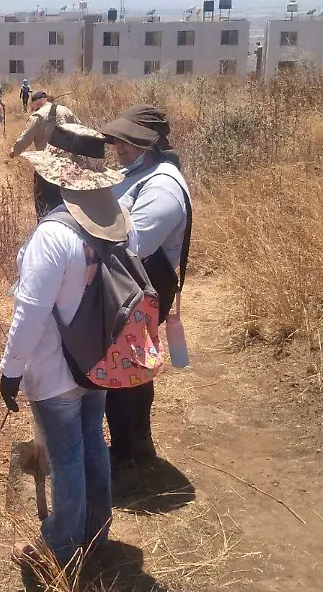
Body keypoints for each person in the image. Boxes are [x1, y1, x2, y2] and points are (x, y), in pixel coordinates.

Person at [0, 122, 133, 570]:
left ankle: (59, 550)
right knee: (93, 442)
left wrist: (10, 370)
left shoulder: (52, 235)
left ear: (51, 178)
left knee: (66, 456)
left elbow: (30, 312)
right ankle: (97, 531)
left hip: (54, 372)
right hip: (96, 360)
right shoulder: (112, 226)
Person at [97, 105, 191, 467]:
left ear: (149, 144)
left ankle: (130, 458)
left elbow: (133, 245)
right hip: (131, 289)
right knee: (130, 370)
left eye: (128, 141)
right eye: (118, 139)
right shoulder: (142, 173)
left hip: (141, 290)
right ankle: (134, 450)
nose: (119, 147)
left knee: (125, 375)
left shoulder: (163, 185)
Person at [9, 91, 81, 218]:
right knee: (69, 206)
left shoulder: (37, 116)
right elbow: (81, 130)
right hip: (69, 167)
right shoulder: (66, 110)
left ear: (37, 102)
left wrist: (14, 151)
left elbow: (25, 139)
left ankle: (46, 230)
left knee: (45, 208)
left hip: (46, 169)